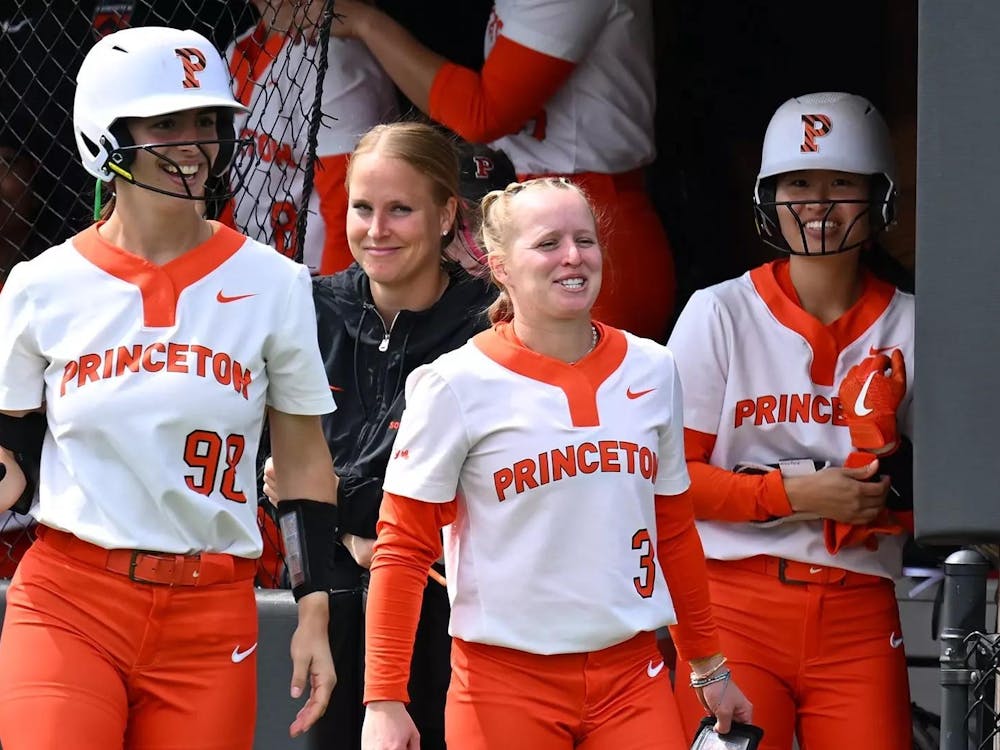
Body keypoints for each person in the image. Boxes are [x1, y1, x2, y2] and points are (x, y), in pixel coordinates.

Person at [0, 26, 340, 750]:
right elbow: (9, 463)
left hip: (211, 609)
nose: (194, 142)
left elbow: (306, 464)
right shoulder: (39, 287)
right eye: (165, 123)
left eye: (207, 121)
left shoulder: (276, 283)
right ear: (105, 135)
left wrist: (315, 609)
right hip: (69, 598)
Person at [359, 176, 753, 750]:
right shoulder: (453, 382)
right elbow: (402, 548)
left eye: (585, 240)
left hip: (630, 677)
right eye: (548, 243)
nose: (573, 257)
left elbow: (671, 529)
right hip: (502, 683)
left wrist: (708, 665)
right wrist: (384, 700)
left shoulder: (653, 367)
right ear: (500, 266)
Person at [666, 92, 914, 750]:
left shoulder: (919, 322)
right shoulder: (717, 312)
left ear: (879, 193)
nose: (817, 201)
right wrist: (794, 494)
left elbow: (957, 487)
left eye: (841, 183)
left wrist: (893, 498)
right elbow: (667, 483)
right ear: (768, 194)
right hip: (731, 604)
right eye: (797, 182)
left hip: (859, 608)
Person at [263, 122, 501, 750]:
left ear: (448, 214)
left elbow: (486, 483)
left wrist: (351, 511)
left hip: (454, 615)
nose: (376, 230)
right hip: (323, 602)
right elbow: (272, 469)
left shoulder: (493, 323)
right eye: (362, 208)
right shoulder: (309, 308)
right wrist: (350, 532)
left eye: (401, 209)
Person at [328, 0, 676, 341]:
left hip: (592, 214)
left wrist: (365, 22)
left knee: (583, 387)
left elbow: (482, 115)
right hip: (517, 210)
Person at [226, 0, 398, 274]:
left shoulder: (332, 58)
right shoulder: (240, 48)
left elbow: (348, 217)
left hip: (313, 280)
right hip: (254, 269)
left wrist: (328, 311)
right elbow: (232, 194)